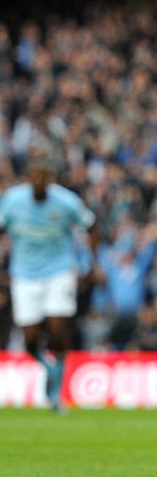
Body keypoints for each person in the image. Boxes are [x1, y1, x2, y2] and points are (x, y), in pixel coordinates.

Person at [0, 160, 99, 412]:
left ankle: (56, 392)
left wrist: (91, 262)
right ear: (28, 180)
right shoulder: (13, 200)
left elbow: (91, 225)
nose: (38, 184)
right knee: (30, 337)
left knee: (58, 330)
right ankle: (48, 369)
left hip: (59, 270)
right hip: (24, 273)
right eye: (34, 179)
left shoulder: (66, 201)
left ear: (50, 180)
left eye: (43, 179)